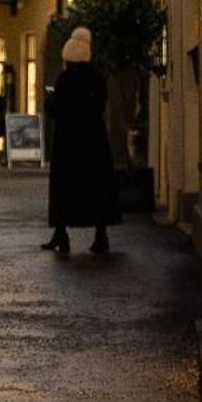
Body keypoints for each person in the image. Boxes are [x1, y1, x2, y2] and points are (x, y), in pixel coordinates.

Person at [42, 25, 121, 256]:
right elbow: (99, 105)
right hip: (93, 138)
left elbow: (58, 109)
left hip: (68, 139)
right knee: (96, 186)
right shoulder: (97, 78)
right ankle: (101, 234)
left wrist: (51, 103)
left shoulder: (65, 79)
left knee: (64, 187)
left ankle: (61, 234)